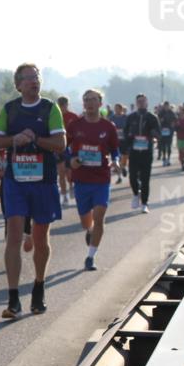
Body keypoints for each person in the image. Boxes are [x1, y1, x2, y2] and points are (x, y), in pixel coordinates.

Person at [0, 63, 66, 319]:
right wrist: (15, 139)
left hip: (43, 181)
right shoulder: (10, 110)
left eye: (37, 77)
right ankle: (13, 299)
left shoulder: (50, 108)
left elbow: (60, 144)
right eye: (29, 78)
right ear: (19, 84)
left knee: (41, 238)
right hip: (16, 182)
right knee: (13, 236)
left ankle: (38, 287)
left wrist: (35, 139)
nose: (35, 81)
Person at [65, 89, 120, 271]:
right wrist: (70, 160)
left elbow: (114, 150)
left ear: (100, 103)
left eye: (93, 100)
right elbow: (63, 146)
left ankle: (90, 257)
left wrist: (116, 161)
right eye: (86, 100)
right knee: (85, 221)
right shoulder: (75, 125)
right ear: (83, 104)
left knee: (99, 215)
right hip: (81, 179)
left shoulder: (108, 126)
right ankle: (89, 231)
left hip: (101, 179)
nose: (89, 103)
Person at [123, 93, 160, 213]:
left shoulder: (152, 117)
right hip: (134, 152)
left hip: (146, 152)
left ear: (147, 103)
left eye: (143, 101)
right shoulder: (131, 117)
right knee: (132, 176)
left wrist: (153, 135)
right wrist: (128, 142)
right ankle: (135, 194)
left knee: (145, 179)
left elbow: (157, 133)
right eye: (139, 101)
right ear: (136, 103)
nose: (141, 103)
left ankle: (145, 203)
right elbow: (125, 132)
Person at [56, 96, 79, 207]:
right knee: (61, 173)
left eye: (64, 105)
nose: (62, 107)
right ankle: (64, 196)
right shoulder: (55, 116)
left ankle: (71, 186)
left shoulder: (73, 117)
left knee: (69, 173)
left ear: (67, 105)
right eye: (60, 105)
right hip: (59, 148)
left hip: (71, 148)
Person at [109, 103, 128, 183]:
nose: (116, 110)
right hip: (115, 140)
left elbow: (129, 127)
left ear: (121, 109)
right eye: (115, 108)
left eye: (118, 108)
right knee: (117, 158)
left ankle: (123, 167)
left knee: (124, 157)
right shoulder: (112, 118)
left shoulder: (126, 117)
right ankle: (119, 176)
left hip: (124, 140)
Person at [157, 101, 177, 167]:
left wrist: (173, 125)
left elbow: (175, 120)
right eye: (165, 106)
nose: (166, 107)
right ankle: (164, 158)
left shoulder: (171, 113)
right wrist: (161, 120)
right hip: (162, 131)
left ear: (168, 106)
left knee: (168, 146)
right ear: (164, 106)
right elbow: (158, 120)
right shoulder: (161, 113)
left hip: (169, 131)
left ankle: (168, 159)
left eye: (167, 106)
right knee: (163, 146)